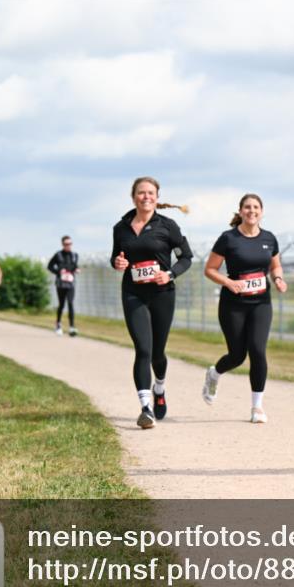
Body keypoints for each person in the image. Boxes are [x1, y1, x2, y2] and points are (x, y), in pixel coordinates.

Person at [111, 176, 192, 429]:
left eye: (150, 193)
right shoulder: (121, 227)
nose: (146, 197)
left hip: (162, 294)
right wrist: (117, 263)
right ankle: (145, 408)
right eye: (141, 193)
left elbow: (186, 258)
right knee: (143, 349)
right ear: (133, 196)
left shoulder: (168, 226)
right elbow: (115, 256)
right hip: (133, 293)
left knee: (158, 353)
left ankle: (159, 388)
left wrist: (169, 273)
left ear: (157, 197)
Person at [201, 193, 286, 423]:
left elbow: (275, 266)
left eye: (256, 207)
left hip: (261, 303)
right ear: (240, 212)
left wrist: (278, 279)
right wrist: (229, 283)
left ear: (262, 211)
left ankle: (257, 408)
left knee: (258, 350)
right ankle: (214, 374)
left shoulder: (269, 238)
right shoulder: (228, 239)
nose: (251, 211)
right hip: (233, 304)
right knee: (237, 355)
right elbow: (210, 270)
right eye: (247, 207)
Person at [48, 235, 80, 336]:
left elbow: (75, 266)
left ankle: (72, 327)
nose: (68, 246)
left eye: (70, 244)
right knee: (61, 304)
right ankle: (58, 325)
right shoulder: (58, 255)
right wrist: (58, 272)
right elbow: (50, 266)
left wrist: (77, 270)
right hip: (61, 283)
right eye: (66, 244)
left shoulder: (75, 255)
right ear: (63, 244)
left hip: (71, 283)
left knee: (70, 303)